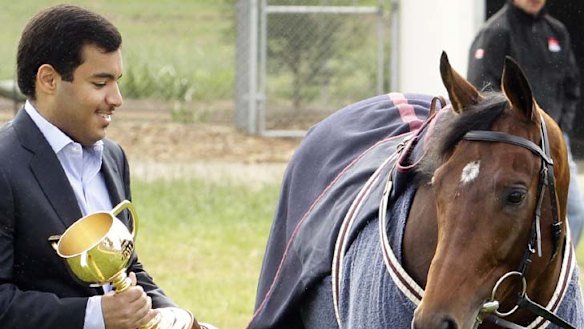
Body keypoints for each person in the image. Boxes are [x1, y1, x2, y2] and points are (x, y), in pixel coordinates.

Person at [0, 4, 206, 329]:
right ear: (49, 80)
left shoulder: (113, 157)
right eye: (100, 83)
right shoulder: (4, 166)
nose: (117, 98)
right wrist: (94, 316)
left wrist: (183, 320)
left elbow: (127, 271)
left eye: (117, 81)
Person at [467, 0, 584, 246]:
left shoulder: (556, 32)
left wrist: (562, 126)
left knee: (574, 209)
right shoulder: (495, 31)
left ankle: (554, 272)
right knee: (513, 206)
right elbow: (481, 93)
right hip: (513, 143)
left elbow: (572, 86)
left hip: (554, 140)